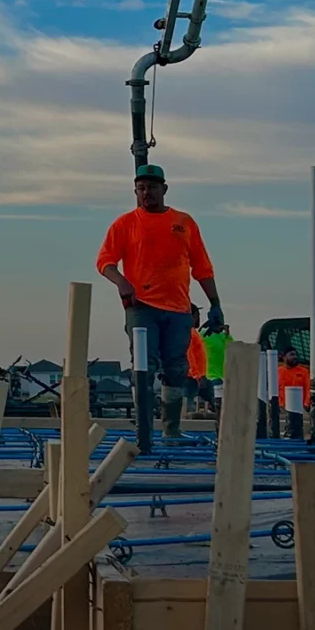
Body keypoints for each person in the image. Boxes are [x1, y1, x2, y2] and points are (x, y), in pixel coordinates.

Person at [94, 164, 223, 451]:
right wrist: (121, 282)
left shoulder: (183, 222)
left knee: (177, 369)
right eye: (140, 188)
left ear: (164, 188)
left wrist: (215, 304)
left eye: (151, 187)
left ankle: (171, 430)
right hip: (142, 306)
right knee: (143, 366)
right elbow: (104, 261)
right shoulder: (125, 223)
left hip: (177, 309)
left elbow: (202, 267)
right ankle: (144, 433)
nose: (146, 193)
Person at [277, 347, 311, 441]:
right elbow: (275, 390)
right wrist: (279, 405)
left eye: (295, 354)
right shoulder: (278, 371)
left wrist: (306, 404)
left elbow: (308, 388)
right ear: (283, 357)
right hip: (283, 409)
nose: (295, 357)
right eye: (291, 355)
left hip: (300, 408)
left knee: (298, 431)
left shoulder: (303, 371)